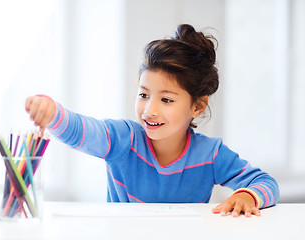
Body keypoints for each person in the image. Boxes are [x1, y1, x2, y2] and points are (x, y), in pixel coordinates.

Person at [25, 24, 279, 217]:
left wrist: (248, 195)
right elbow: (84, 131)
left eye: (166, 100)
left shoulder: (210, 155)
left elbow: (265, 183)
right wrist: (54, 115)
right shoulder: (123, 140)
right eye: (144, 95)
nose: (149, 110)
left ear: (198, 106)